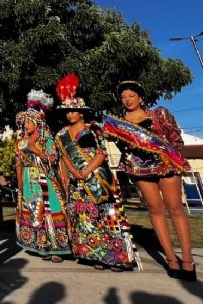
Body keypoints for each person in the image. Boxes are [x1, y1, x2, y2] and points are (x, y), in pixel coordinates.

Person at [109, 80, 195, 280]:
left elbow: (176, 138)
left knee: (175, 207)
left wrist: (165, 151)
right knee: (155, 208)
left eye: (131, 96)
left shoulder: (158, 114)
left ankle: (188, 259)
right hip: (140, 168)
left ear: (140, 97)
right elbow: (123, 149)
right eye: (123, 97)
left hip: (166, 165)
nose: (128, 100)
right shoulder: (120, 124)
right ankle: (172, 258)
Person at [53, 74, 138, 272]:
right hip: (77, 181)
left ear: (81, 112)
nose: (70, 115)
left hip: (97, 176)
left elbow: (101, 152)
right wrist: (75, 172)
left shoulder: (94, 129)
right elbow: (64, 156)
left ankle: (115, 257)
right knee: (83, 218)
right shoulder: (61, 135)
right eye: (67, 112)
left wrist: (88, 170)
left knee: (105, 217)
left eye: (73, 111)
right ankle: (93, 255)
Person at [15, 90, 72, 263]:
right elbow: (19, 163)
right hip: (29, 181)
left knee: (51, 210)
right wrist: (19, 183)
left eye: (28, 122)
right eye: (24, 122)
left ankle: (57, 247)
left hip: (46, 180)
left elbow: (53, 159)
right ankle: (41, 246)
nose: (26, 125)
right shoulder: (21, 142)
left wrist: (35, 150)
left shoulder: (48, 140)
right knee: (34, 212)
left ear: (36, 122)